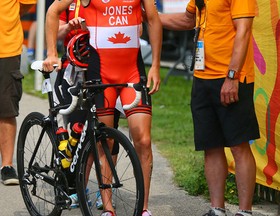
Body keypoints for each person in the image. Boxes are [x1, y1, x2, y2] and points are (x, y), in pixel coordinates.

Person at [43, 0, 162, 216]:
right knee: (104, 141)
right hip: (101, 75)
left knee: (143, 140)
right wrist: (52, 53)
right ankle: (107, 208)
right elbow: (53, 10)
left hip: (133, 73)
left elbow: (153, 19)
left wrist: (155, 64)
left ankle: (144, 208)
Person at [160, 0, 260, 216]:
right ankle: (217, 209)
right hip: (202, 76)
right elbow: (188, 19)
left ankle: (245, 212)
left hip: (231, 78)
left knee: (239, 145)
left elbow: (243, 30)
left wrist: (232, 77)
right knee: (211, 145)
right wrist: (150, 18)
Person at [0, 0, 37, 185]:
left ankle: (7, 166)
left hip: (7, 49)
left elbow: (27, 3)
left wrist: (10, 16)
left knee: (7, 107)